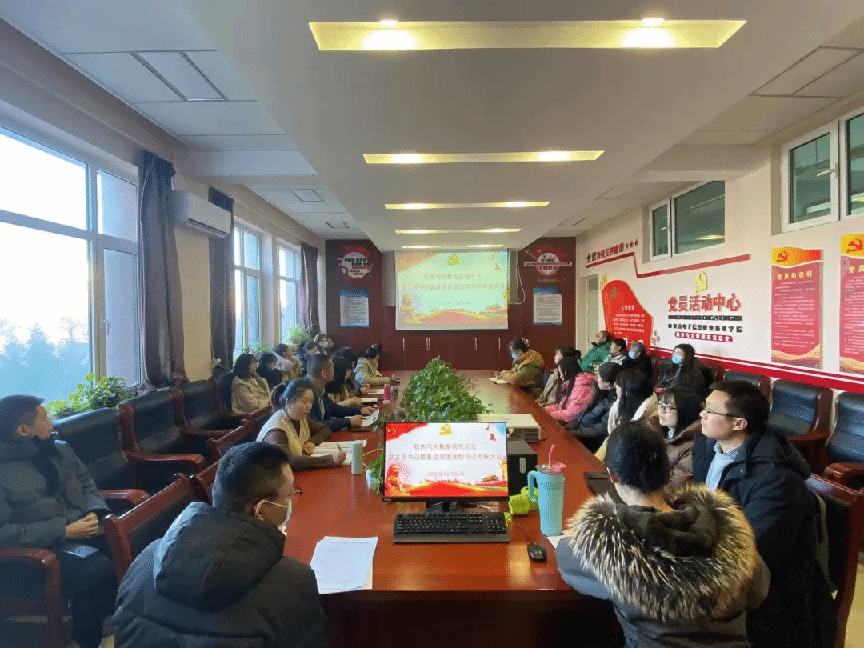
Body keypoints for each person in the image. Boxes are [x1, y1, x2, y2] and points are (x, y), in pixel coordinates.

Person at [556, 421, 769, 648]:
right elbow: (758, 592)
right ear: (668, 474)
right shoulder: (730, 533)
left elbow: (565, 559)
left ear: (613, 476)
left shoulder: (609, 545)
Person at [114, 442, 330, 648]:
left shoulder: (145, 559)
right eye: (290, 494)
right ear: (263, 510)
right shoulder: (293, 582)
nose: (293, 499)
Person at [693, 381, 836, 648]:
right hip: (717, 558)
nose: (702, 414)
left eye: (710, 410)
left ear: (739, 424)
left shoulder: (777, 480)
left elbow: (749, 556)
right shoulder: (708, 446)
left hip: (771, 598)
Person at [0, 395, 116, 648]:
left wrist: (94, 511)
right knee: (96, 568)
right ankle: (86, 638)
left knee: (128, 536)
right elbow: (4, 533)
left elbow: (86, 483)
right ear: (23, 431)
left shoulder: (60, 449)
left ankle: (102, 623)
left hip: (79, 529)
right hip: (33, 553)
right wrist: (64, 531)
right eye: (45, 418)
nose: (52, 421)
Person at [259, 380, 346, 470]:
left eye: (311, 402)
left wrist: (312, 442)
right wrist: (330, 459)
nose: (309, 406)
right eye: (304, 402)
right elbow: (288, 461)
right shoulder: (276, 430)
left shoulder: (299, 418)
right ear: (288, 402)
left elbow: (325, 429)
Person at [595, 368, 656, 461]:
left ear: (627, 391)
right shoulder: (622, 405)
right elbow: (612, 437)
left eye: (618, 385)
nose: (615, 387)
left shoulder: (647, 421)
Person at [656, 388, 703, 494]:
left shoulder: (692, 446)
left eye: (667, 407)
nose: (661, 411)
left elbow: (673, 489)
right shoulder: (659, 432)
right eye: (660, 405)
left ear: (685, 411)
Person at [308, 354, 372, 431]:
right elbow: (317, 424)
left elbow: (334, 408)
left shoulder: (319, 388)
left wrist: (359, 410)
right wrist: (348, 421)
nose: (334, 371)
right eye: (332, 368)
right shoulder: (307, 393)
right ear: (324, 373)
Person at [570, 362, 621, 452]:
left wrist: (574, 433)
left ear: (609, 384)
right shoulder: (600, 391)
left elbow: (600, 430)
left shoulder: (615, 404)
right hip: (579, 430)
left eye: (600, 377)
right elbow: (586, 411)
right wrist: (574, 425)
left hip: (589, 441)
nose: (597, 378)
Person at [544, 356, 596, 425]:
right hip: (564, 420)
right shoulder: (571, 383)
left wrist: (550, 416)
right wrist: (545, 410)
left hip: (571, 424)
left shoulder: (582, 387)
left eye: (562, 372)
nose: (561, 376)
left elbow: (572, 414)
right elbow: (561, 406)